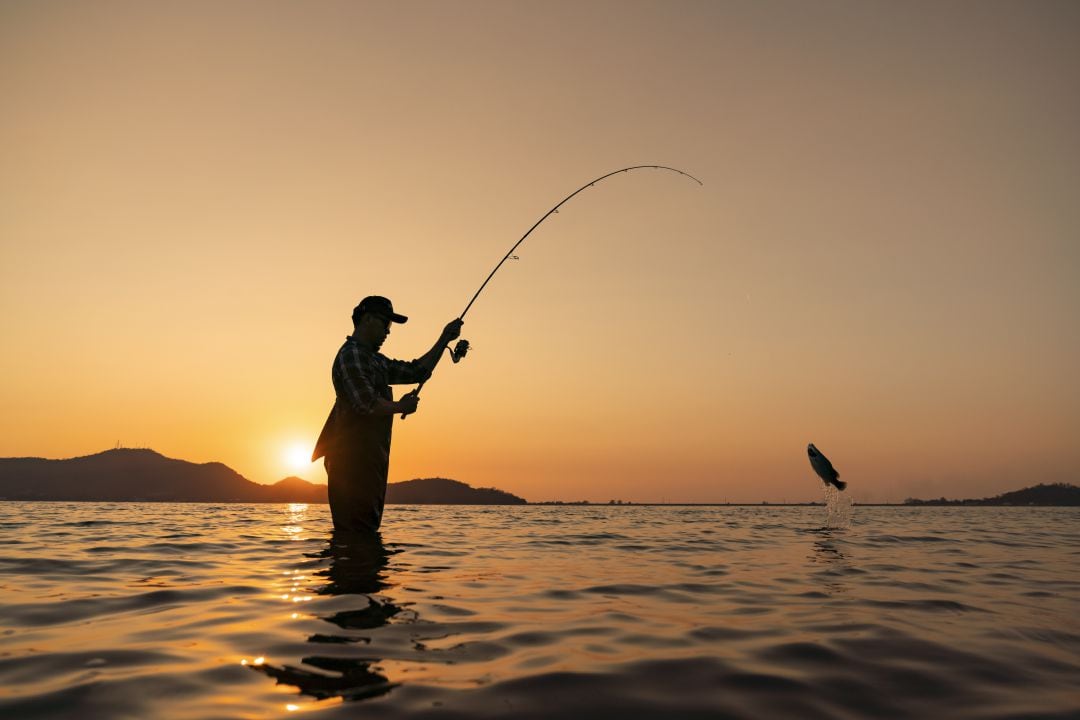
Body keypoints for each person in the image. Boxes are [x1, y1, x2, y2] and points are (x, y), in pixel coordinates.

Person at [312, 296, 463, 532]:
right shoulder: (351, 355)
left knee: (364, 535)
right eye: (385, 323)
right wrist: (400, 407)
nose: (388, 331)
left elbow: (416, 371)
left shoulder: (375, 360)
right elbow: (366, 404)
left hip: (372, 463)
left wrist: (444, 338)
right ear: (367, 319)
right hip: (351, 465)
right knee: (355, 533)